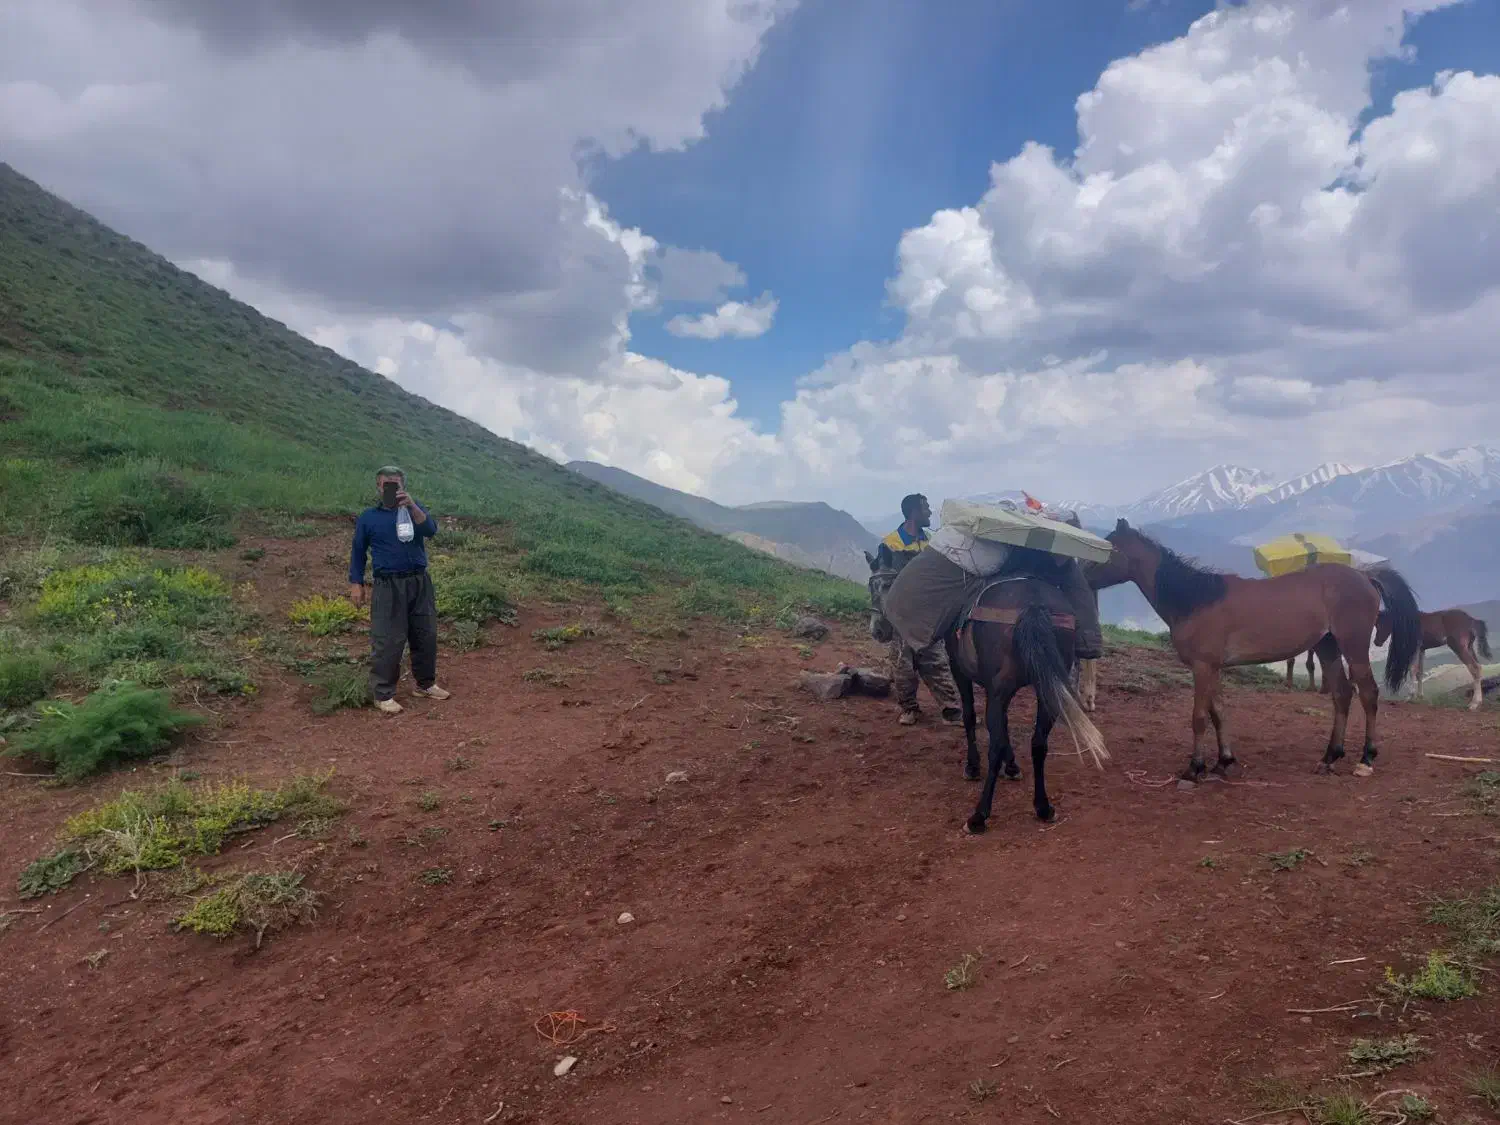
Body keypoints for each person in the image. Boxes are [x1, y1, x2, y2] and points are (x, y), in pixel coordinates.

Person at [348, 465, 450, 715]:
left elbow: (431, 531)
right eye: (387, 485)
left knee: (425, 634)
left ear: (403, 486)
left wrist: (412, 506)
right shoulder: (369, 517)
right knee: (388, 640)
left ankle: (425, 684)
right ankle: (383, 694)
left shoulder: (415, 509)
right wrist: (356, 583)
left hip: (418, 582)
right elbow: (358, 551)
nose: (392, 489)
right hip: (388, 585)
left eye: (397, 485)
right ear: (378, 487)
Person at [877, 494, 961, 726]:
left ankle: (952, 710)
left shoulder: (933, 542)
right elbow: (883, 582)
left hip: (928, 617)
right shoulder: (890, 544)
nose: (930, 512)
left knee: (936, 661)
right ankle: (909, 709)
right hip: (902, 616)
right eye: (926, 508)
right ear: (914, 512)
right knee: (903, 665)